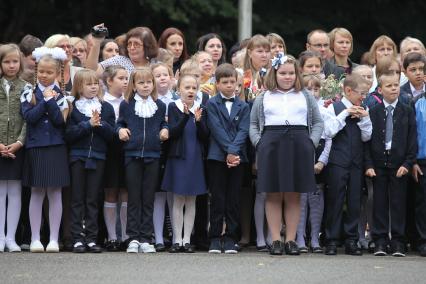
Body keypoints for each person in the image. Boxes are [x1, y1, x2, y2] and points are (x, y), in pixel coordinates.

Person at [250, 53, 323, 255]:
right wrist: (260, 143)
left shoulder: (305, 96)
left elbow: (317, 122)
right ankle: (275, 240)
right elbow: (254, 124)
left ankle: (291, 240)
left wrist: (311, 142)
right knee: (272, 193)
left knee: (294, 194)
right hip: (271, 144)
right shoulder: (264, 97)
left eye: (291, 73)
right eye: (283, 73)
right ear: (275, 73)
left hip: (299, 144)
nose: (288, 77)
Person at [21, 47, 70, 253]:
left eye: (49, 72)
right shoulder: (28, 92)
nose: (44, 75)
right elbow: (29, 117)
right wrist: (46, 100)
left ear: (57, 73)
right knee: (37, 191)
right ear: (36, 71)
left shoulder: (63, 95)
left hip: (56, 147)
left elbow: (60, 121)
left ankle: (53, 239)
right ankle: (34, 238)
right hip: (36, 147)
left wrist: (51, 99)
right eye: (41, 71)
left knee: (55, 192)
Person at [116, 67, 168, 253]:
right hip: (132, 155)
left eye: (149, 82)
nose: (146, 86)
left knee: (148, 198)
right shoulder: (127, 104)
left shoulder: (160, 105)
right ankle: (133, 238)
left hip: (153, 156)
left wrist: (164, 129)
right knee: (133, 198)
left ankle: (146, 238)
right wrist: (120, 130)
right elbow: (120, 123)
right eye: (141, 83)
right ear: (134, 85)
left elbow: (163, 123)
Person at [365, 72, 417, 257]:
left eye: (396, 85)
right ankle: (379, 240)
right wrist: (368, 164)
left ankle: (398, 241)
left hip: (399, 164)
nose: (394, 88)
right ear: (379, 90)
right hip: (378, 163)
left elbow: (412, 139)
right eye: (389, 86)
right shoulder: (373, 111)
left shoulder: (407, 109)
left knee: (398, 202)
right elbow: (367, 141)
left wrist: (408, 162)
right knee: (379, 202)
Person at [65, 69, 115, 253]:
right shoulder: (72, 107)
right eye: (89, 84)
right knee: (77, 198)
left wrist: (99, 123)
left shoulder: (106, 107)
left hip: (98, 158)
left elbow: (111, 135)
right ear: (79, 87)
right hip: (78, 157)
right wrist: (87, 125)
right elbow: (69, 134)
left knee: (93, 199)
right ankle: (77, 238)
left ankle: (92, 239)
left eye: (96, 83)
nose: (94, 87)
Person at [323, 73, 372, 256]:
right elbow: (330, 131)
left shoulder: (364, 108)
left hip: (356, 162)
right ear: (348, 91)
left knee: (354, 201)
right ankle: (331, 239)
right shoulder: (333, 108)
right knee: (335, 199)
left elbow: (367, 136)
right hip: (338, 161)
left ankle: (351, 239)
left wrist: (365, 118)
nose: (363, 97)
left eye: (366, 94)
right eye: (361, 93)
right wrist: (345, 113)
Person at [162, 74, 209, 253]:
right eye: (186, 87)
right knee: (178, 198)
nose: (190, 91)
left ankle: (187, 239)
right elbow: (173, 132)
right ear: (178, 89)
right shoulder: (173, 107)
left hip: (195, 157)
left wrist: (198, 122)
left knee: (192, 199)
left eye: (193, 88)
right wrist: (185, 115)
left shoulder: (201, 108)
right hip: (179, 157)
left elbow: (205, 136)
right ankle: (176, 239)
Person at [207, 63, 250, 254]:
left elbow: (244, 130)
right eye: (225, 82)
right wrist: (229, 151)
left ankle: (232, 237)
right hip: (217, 157)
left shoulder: (243, 105)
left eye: (233, 82)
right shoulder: (211, 104)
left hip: (238, 158)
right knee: (217, 197)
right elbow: (216, 129)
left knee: (234, 198)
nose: (229, 86)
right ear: (217, 84)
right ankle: (215, 237)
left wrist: (234, 152)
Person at [296, 74, 330, 253]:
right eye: (308, 89)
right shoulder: (297, 109)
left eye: (316, 89)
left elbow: (330, 138)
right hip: (301, 155)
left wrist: (322, 161)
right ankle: (300, 236)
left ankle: (315, 236)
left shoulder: (325, 110)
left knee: (316, 198)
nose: (312, 92)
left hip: (318, 156)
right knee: (301, 197)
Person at [0, 44, 28, 252]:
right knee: (1, 193)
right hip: (0, 146)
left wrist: (19, 142)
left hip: (17, 147)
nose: (11, 65)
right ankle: (0, 236)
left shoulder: (26, 86)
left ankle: (11, 238)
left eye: (15, 61)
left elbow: (28, 119)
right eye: (7, 61)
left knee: (15, 191)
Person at [151, 62, 178, 251]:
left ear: (172, 78)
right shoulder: (149, 101)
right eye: (157, 75)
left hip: (174, 150)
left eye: (165, 74)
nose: (162, 77)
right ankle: (158, 237)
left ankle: (176, 236)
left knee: (173, 194)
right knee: (158, 195)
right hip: (156, 149)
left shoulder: (177, 99)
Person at [101, 65, 129, 251]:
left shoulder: (130, 101)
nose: (125, 81)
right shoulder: (102, 101)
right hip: (110, 151)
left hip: (128, 150)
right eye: (121, 78)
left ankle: (126, 236)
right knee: (111, 191)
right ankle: (111, 237)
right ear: (109, 81)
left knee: (126, 191)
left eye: (127, 78)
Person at [86, 25, 159, 76]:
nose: (132, 47)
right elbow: (92, 71)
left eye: (136, 44)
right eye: (129, 44)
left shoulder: (156, 65)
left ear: (148, 46)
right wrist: (96, 43)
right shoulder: (118, 61)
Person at [412, 81, 426, 257]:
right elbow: (413, 133)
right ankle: (423, 241)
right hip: (423, 160)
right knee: (422, 204)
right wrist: (413, 161)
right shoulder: (418, 103)